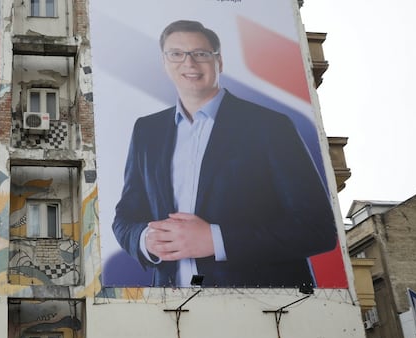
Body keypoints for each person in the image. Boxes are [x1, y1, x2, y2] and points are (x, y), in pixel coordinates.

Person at [112, 19, 336, 288]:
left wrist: (216, 240)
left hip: (264, 306)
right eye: (176, 54)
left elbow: (317, 229)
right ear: (164, 63)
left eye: (201, 54)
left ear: (219, 62)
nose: (189, 63)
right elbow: (125, 215)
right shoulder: (147, 131)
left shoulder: (270, 126)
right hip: (171, 307)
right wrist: (144, 239)